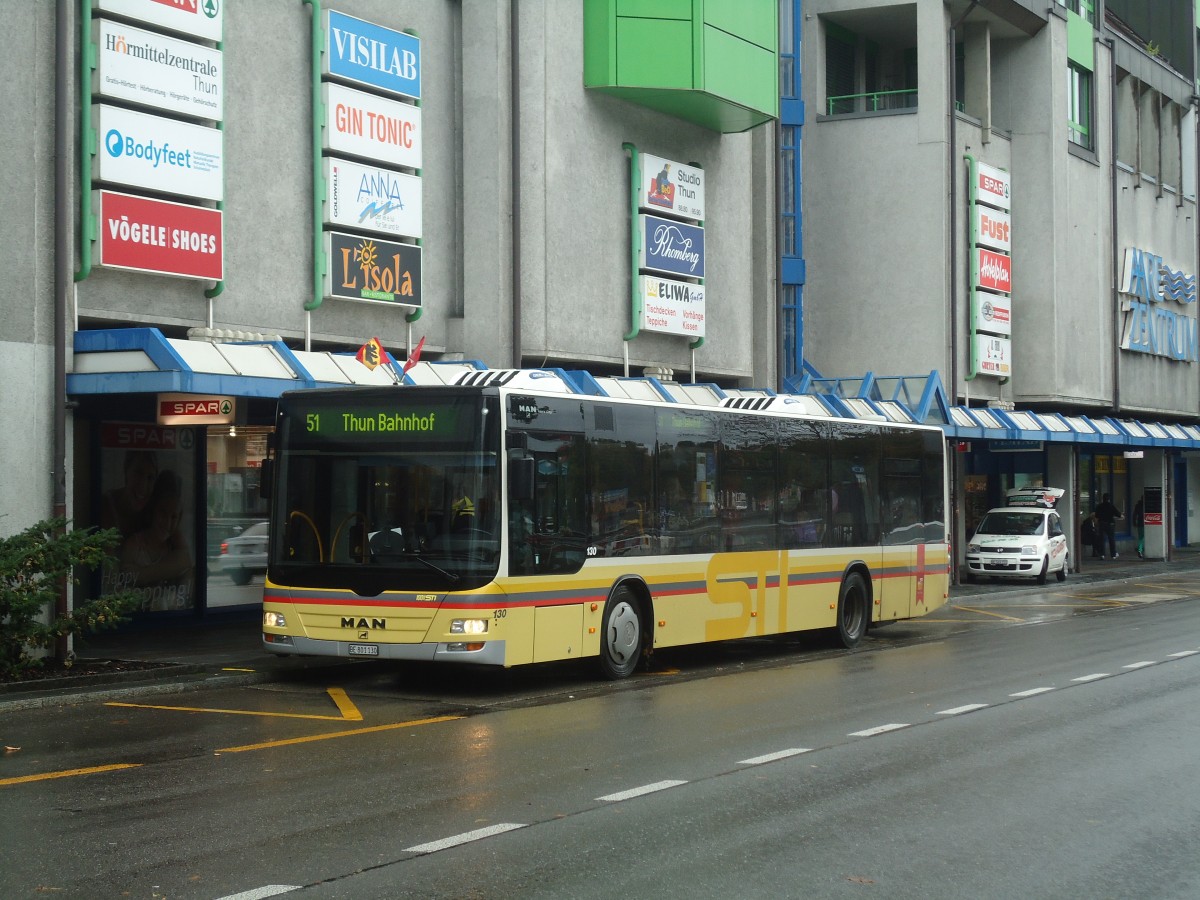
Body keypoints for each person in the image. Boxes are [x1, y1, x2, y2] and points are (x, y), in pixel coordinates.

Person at [1095, 493, 1122, 559]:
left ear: (1103, 499)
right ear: (1109, 499)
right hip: (1110, 524)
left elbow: (1096, 515)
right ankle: (1113, 554)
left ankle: (1102, 554)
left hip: (1101, 523)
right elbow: (1118, 514)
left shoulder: (1099, 506)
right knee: (1111, 539)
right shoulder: (1111, 506)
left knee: (1101, 539)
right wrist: (1122, 516)